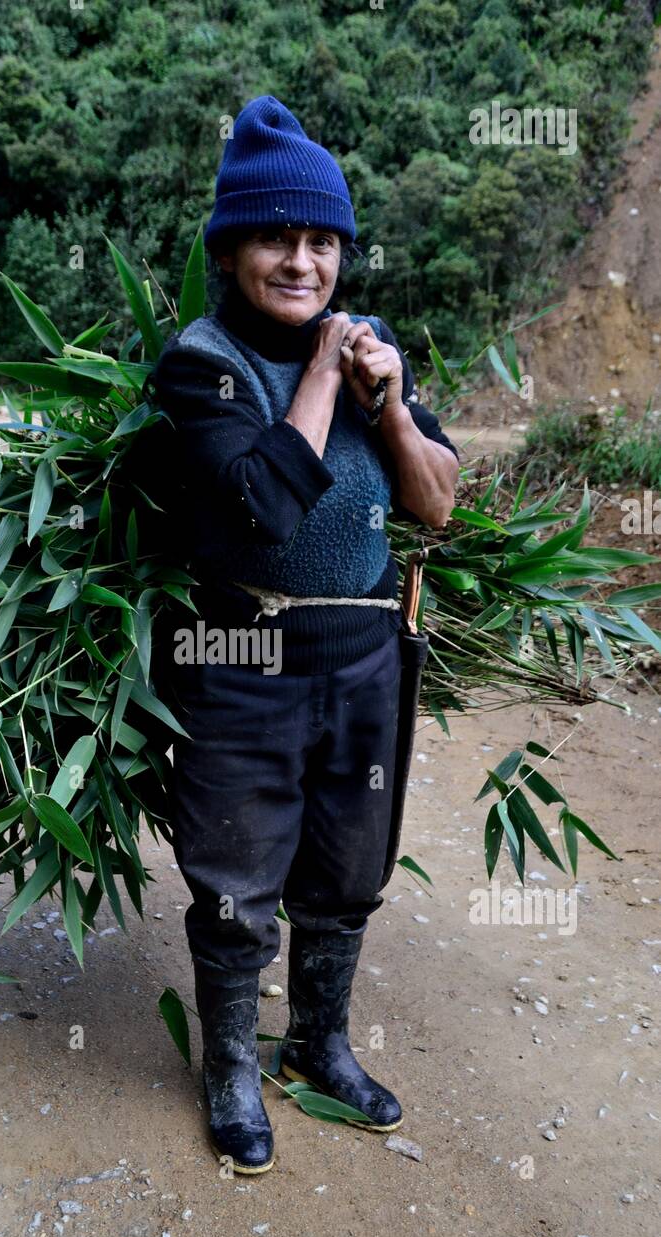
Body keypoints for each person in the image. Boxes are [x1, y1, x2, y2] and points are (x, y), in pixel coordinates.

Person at [148, 94, 459, 1174]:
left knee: (346, 864)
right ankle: (230, 1062)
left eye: (321, 240)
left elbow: (435, 504)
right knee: (236, 874)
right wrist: (324, 374)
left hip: (365, 657)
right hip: (238, 661)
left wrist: (387, 402)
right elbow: (259, 508)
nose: (300, 261)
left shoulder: (374, 359)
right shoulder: (201, 363)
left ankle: (318, 1040)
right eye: (277, 237)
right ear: (233, 247)